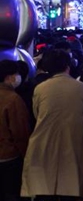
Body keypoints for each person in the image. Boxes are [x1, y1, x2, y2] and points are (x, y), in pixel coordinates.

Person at [22, 49, 83, 201]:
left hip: (44, 140)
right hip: (73, 139)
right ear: (68, 66)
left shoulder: (41, 88)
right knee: (71, 185)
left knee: (45, 186)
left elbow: (37, 114)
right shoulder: (82, 88)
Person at [0, 60, 31, 201]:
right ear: (9, 77)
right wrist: (26, 154)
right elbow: (20, 132)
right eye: (16, 74)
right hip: (9, 157)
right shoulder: (13, 99)